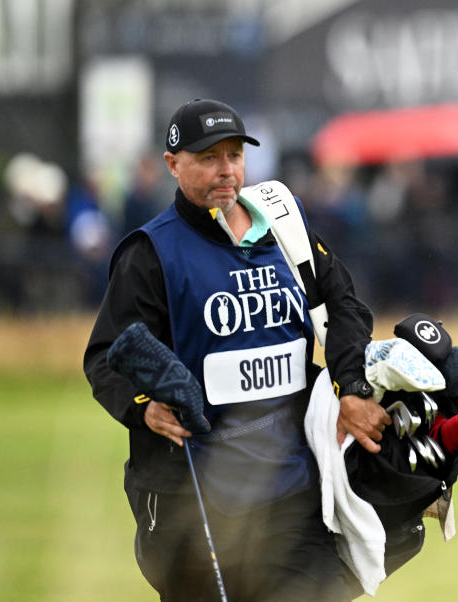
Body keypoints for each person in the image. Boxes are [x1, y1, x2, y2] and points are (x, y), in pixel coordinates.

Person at [83, 98, 391, 601]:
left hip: (293, 486)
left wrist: (351, 386)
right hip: (197, 496)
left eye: (234, 155)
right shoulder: (150, 253)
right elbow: (105, 356)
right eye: (209, 158)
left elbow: (344, 305)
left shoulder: (284, 227)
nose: (226, 171)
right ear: (172, 164)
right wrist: (144, 409)